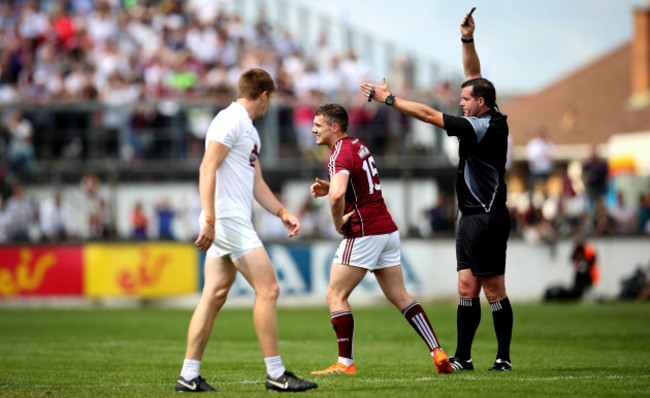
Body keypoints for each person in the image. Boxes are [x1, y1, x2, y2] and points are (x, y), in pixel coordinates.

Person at [361, 12, 513, 371]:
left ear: (481, 103)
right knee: (465, 286)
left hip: (488, 216)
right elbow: (475, 77)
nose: (460, 101)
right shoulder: (485, 112)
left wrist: (389, 100)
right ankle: (464, 357)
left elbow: (430, 115)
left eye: (465, 98)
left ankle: (503, 358)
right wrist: (467, 40)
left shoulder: (482, 127)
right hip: (471, 216)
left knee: (492, 290)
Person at [176, 68, 317, 393]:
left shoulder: (249, 131)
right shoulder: (231, 120)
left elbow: (256, 183)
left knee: (214, 295)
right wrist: (209, 219)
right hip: (228, 221)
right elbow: (207, 167)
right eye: (271, 98)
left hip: (229, 220)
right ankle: (276, 373)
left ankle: (188, 374)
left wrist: (282, 211)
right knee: (269, 290)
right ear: (264, 95)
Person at [308, 103, 453, 376]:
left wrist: (337, 220)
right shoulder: (357, 145)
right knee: (400, 296)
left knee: (335, 294)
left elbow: (339, 195)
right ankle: (437, 351)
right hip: (387, 230)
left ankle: (345, 364)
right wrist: (330, 187)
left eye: (318, 124)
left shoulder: (337, 153)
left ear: (334, 127)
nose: (313, 129)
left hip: (364, 231)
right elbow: (357, 185)